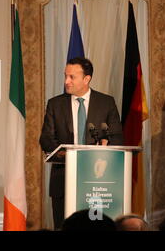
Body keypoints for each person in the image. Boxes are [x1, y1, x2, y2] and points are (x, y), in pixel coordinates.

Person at [39, 57, 123, 230]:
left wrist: (103, 148)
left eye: (71, 77)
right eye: (65, 76)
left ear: (86, 79)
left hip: (98, 183)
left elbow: (117, 137)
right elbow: (46, 139)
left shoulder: (106, 103)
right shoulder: (55, 104)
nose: (66, 81)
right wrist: (68, 156)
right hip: (63, 179)